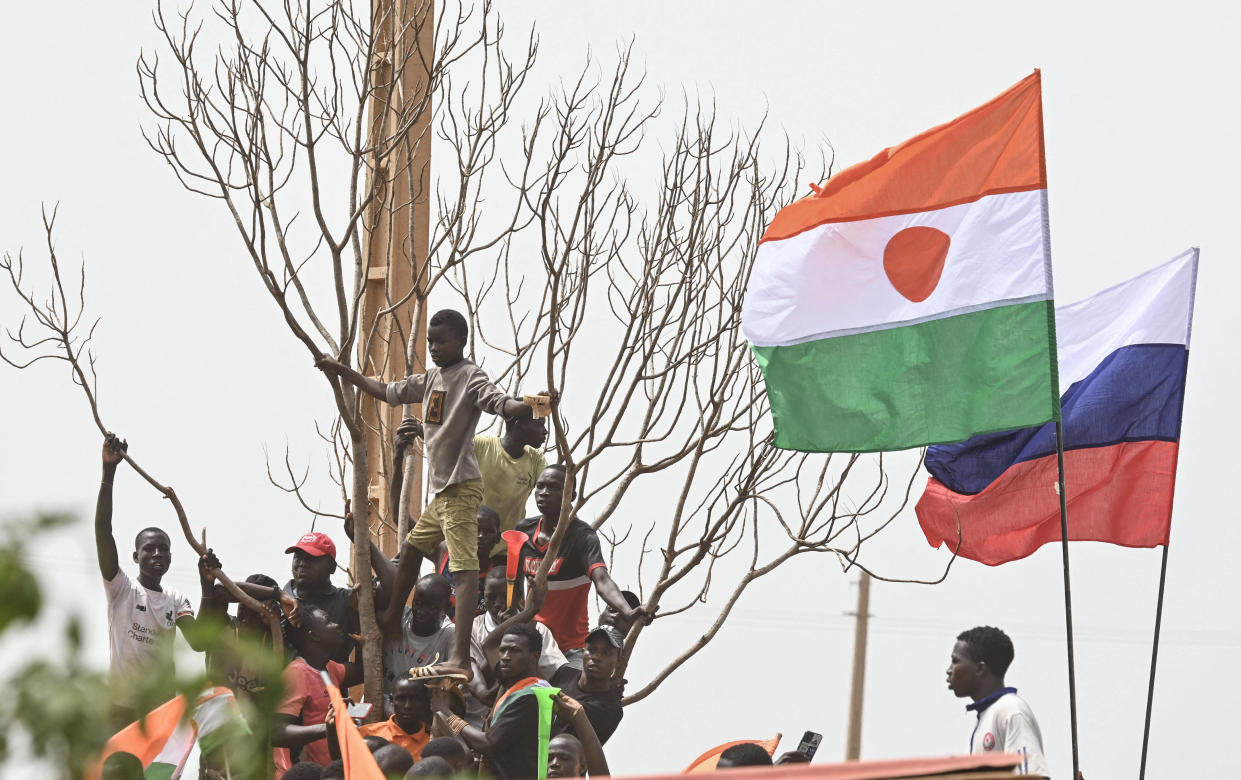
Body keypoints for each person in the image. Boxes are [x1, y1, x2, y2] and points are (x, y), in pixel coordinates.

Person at [316, 308, 551, 678]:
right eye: (430, 342)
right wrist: (343, 371)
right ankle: (393, 619)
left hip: (461, 488)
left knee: (464, 569)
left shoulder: (471, 377)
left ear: (461, 341)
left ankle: (458, 657)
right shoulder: (430, 379)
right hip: (441, 493)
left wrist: (537, 403)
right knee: (410, 548)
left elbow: (502, 405)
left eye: (441, 341)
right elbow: (386, 390)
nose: (434, 348)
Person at [94, 434, 210, 716]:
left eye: (164, 549)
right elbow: (103, 531)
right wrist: (109, 471)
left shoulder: (175, 598)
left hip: (160, 710)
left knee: (155, 764)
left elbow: (198, 643)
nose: (158, 553)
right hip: (120, 706)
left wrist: (207, 586)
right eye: (149, 549)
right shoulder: (121, 588)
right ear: (136, 557)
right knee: (120, 762)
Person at [515, 465, 647, 666]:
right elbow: (512, 584)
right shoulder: (523, 531)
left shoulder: (582, 536)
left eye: (553, 487)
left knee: (581, 693)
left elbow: (602, 579)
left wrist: (627, 611)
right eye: (540, 486)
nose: (544, 493)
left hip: (570, 649)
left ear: (571, 494)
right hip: (530, 646)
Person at [440, 623, 608, 779]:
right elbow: (489, 645)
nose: (505, 657)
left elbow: (489, 743)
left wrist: (447, 713)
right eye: (503, 650)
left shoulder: (530, 695)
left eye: (514, 651)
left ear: (534, 656)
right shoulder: (519, 689)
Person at [946, 625, 1049, 776]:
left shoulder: (1011, 710)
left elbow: (1031, 777)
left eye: (955, 661)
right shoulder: (988, 715)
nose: (949, 670)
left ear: (980, 669)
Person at [272, 605, 360, 777]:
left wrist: (357, 616)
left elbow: (363, 671)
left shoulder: (328, 668)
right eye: (328, 621)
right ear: (313, 635)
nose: (336, 625)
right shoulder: (297, 673)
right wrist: (327, 727)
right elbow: (277, 732)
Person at [474, 415, 548, 559]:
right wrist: (422, 430)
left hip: (507, 553)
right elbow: (449, 442)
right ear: (519, 424)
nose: (545, 431)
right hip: (470, 546)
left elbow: (552, 489)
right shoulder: (481, 446)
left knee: (499, 580)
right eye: (539, 425)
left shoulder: (535, 459)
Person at [549, 626, 624, 745]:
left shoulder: (611, 709)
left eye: (605, 653)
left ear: (618, 661)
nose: (596, 657)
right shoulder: (565, 673)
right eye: (592, 650)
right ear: (583, 652)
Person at [382, 574, 456, 695]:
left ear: (447, 608)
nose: (422, 611)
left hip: (418, 711)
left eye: (432, 607)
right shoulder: (399, 617)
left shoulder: (449, 634)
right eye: (417, 603)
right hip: (379, 704)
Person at [355, 678, 434, 761]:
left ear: (426, 702)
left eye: (415, 699)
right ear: (392, 700)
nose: (407, 706)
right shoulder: (367, 734)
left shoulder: (431, 743)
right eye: (401, 698)